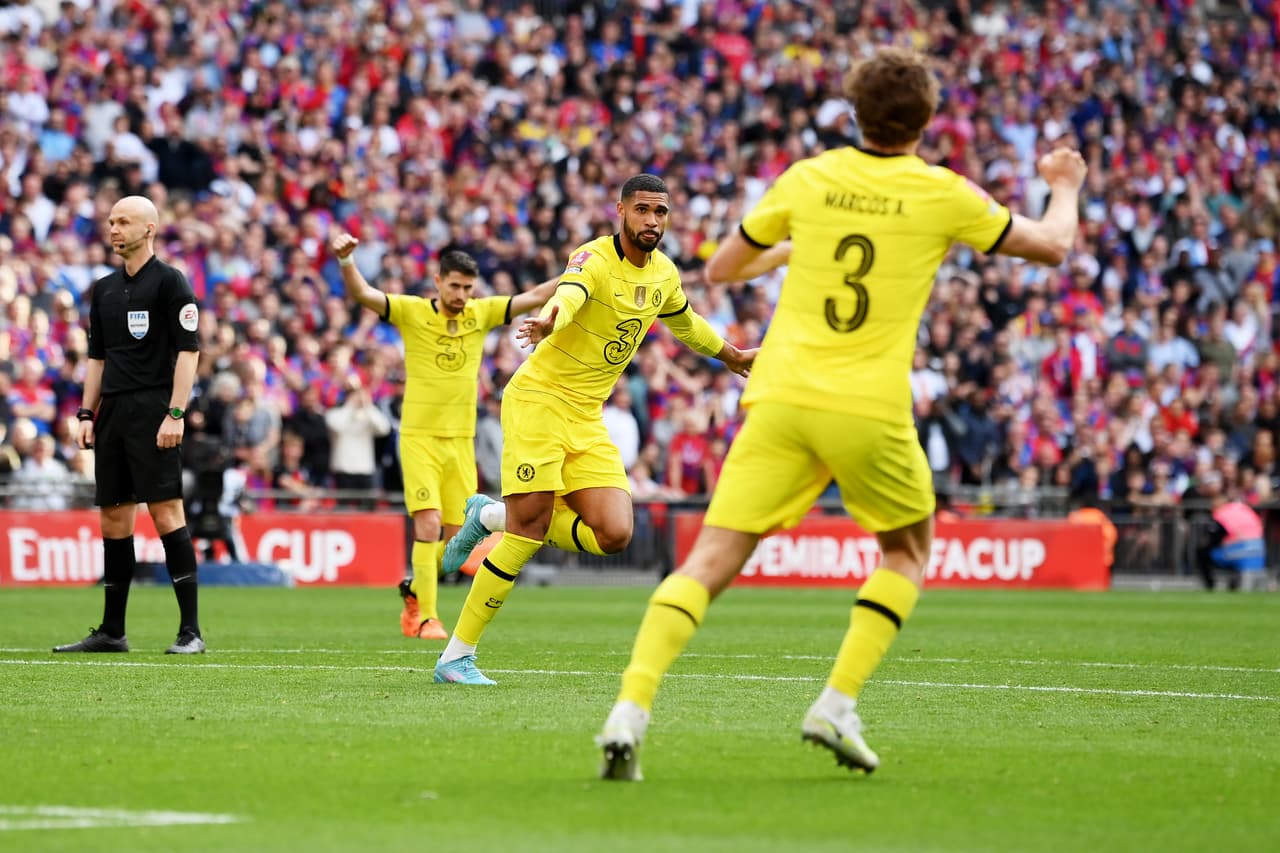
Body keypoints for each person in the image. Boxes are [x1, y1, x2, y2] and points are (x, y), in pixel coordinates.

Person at [595, 48, 1088, 780]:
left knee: (709, 561)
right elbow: (1052, 245)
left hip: (781, 395)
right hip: (867, 405)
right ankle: (836, 701)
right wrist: (1065, 185)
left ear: (855, 112)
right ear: (927, 118)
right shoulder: (943, 191)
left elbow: (723, 268)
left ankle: (629, 710)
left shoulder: (811, 176)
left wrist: (803, 247)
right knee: (907, 552)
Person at [434, 173, 758, 685]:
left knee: (614, 532)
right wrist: (549, 321)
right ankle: (456, 656)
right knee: (528, 531)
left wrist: (732, 355)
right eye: (643, 210)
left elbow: (687, 322)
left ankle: (490, 514)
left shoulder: (665, 274)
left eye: (660, 211)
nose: (652, 221)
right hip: (539, 401)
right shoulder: (593, 258)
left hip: (586, 414)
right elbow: (570, 294)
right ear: (621, 211)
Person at [330, 234, 559, 640]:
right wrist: (347, 262)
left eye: (468, 288)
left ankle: (415, 588)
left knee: (458, 545)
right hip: (419, 438)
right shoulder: (412, 311)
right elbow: (364, 294)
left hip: (460, 442)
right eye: (455, 286)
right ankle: (427, 619)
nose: (461, 295)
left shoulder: (481, 313)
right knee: (428, 523)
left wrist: (584, 271)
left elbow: (538, 294)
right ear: (437, 282)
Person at [54, 194, 206, 655]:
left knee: (166, 513)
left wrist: (175, 413)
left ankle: (191, 632)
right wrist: (86, 413)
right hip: (113, 413)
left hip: (155, 408)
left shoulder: (170, 282)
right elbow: (97, 359)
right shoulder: (103, 289)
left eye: (123, 221)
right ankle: (112, 631)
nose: (114, 229)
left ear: (149, 229)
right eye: (111, 221)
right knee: (114, 517)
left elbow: (189, 352)